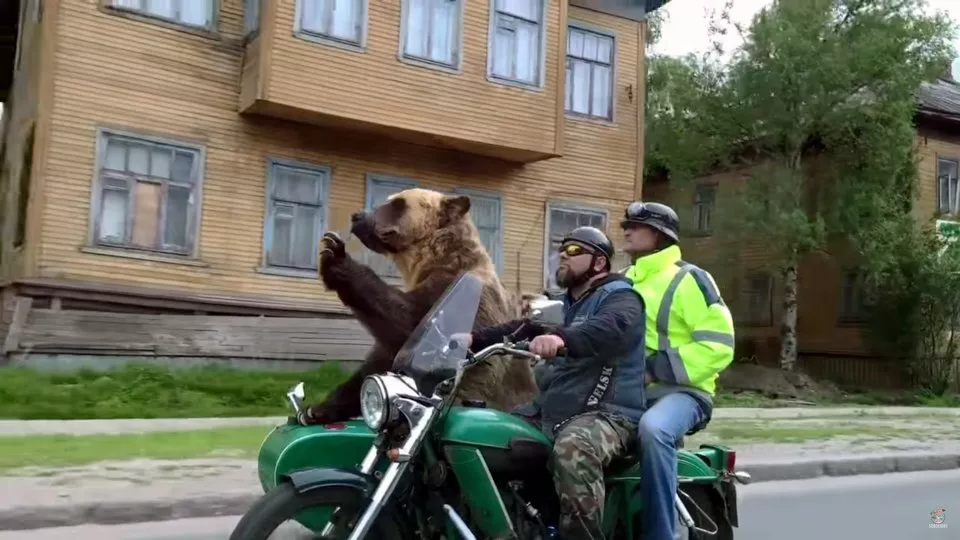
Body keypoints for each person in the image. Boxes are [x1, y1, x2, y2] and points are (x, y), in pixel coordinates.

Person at [462, 226, 648, 540]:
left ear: (599, 263)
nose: (563, 254)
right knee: (482, 432)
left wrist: (559, 338)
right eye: (562, 248)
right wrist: (474, 339)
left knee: (574, 448)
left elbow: (607, 329)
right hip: (554, 411)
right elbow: (525, 328)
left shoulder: (622, 298)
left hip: (608, 413)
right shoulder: (564, 306)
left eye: (575, 250)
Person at [619, 201, 735, 540]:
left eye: (634, 225)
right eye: (626, 223)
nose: (625, 229)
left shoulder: (690, 279)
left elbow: (719, 346)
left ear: (657, 234)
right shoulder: (623, 281)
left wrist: (654, 370)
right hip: (626, 391)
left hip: (685, 393)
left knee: (654, 431)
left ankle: (660, 535)